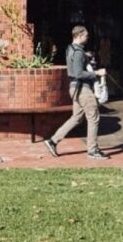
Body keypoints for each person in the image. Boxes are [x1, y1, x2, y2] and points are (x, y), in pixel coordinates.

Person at [44, 25, 108, 160]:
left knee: (77, 118)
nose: (88, 37)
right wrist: (97, 72)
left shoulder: (71, 49)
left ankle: (53, 141)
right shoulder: (79, 52)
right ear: (79, 35)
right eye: (86, 35)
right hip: (82, 88)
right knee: (94, 117)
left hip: (75, 88)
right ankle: (92, 150)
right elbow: (79, 73)